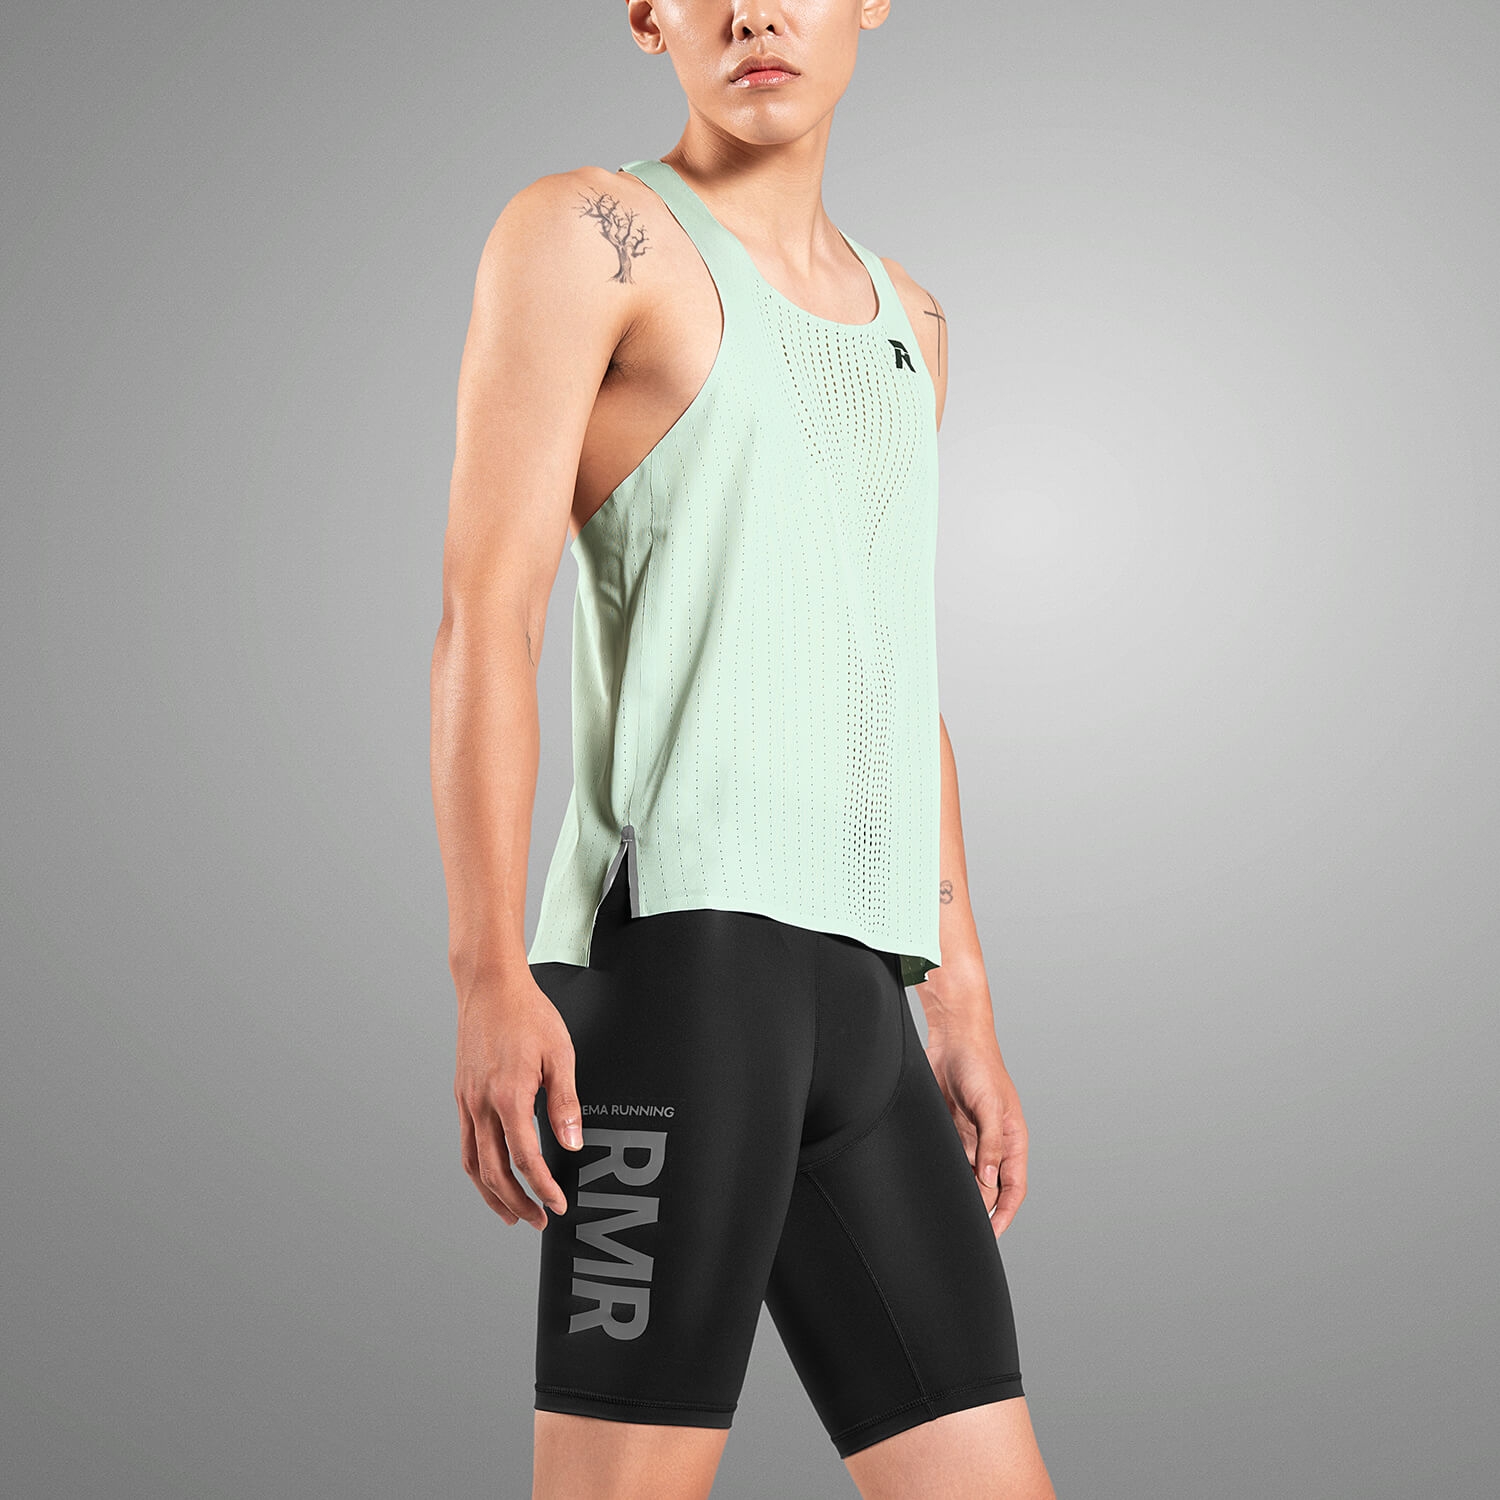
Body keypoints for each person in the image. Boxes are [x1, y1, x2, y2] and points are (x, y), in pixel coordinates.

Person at [430, 4, 1056, 1496]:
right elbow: (487, 616)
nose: (756, 11)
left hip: (864, 1006)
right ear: (648, 15)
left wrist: (962, 996)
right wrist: (487, 974)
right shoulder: (591, 237)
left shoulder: (917, 322)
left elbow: (893, 666)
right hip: (679, 982)